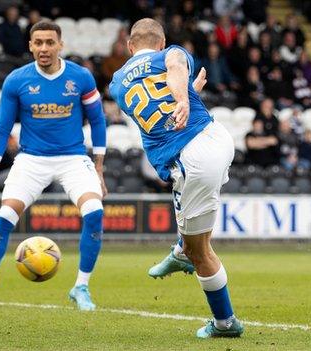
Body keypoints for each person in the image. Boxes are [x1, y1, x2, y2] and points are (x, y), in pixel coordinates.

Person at [109, 18, 244, 338]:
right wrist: (187, 96)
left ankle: (225, 323)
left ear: (130, 47)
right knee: (197, 236)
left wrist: (183, 98)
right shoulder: (170, 53)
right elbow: (174, 68)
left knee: (201, 252)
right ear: (161, 41)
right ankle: (182, 250)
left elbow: (160, 91)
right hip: (216, 137)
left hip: (190, 157)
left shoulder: (116, 82)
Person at [0, 21, 107, 311]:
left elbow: (98, 120)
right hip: (31, 160)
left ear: (60, 45)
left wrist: (99, 168)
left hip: (72, 158)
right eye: (38, 42)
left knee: (94, 212)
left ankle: (81, 287)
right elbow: (2, 127)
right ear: (30, 45)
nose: (44, 48)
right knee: (4, 216)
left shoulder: (81, 77)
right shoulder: (17, 80)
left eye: (49, 42)